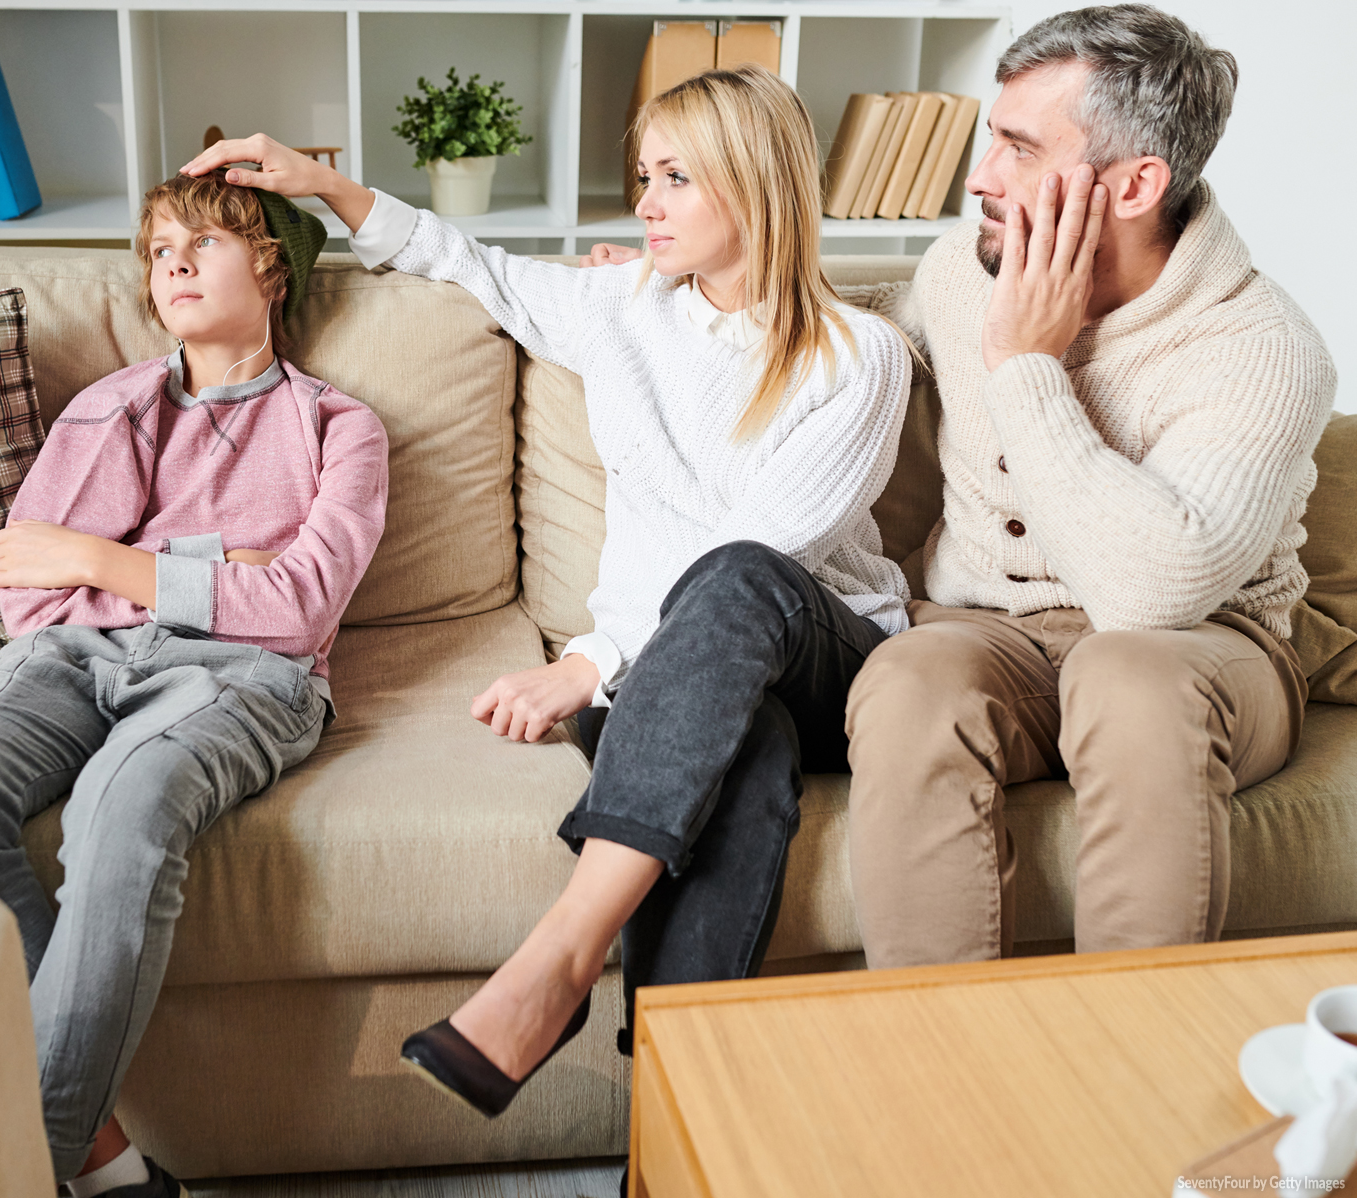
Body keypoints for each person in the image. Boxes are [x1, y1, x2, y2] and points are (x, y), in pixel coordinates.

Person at [184, 63, 911, 1116]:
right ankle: (672, 1135)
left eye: (676, 179)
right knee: (739, 759)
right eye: (643, 174)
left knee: (742, 579)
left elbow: (758, 555)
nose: (644, 204)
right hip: (690, 690)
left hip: (824, 660)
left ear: (753, 186)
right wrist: (326, 188)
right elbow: (468, 262)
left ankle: (556, 958)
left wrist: (591, 660)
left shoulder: (861, 356)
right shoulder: (624, 305)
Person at [0, 172, 389, 1196]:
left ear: (274, 268)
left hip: (247, 676)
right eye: (160, 251)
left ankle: (25, 1166)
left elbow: (295, 609)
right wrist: (219, 568)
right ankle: (103, 1156)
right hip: (72, 658)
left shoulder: (341, 428)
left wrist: (108, 561)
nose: (178, 264)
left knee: (123, 803)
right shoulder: (111, 406)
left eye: (206, 242)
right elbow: (24, 580)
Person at [829, 5, 1335, 965]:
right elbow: (865, 341)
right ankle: (939, 1065)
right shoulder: (965, 268)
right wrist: (694, 285)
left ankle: (1123, 1081)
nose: (978, 178)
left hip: (1204, 645)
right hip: (987, 630)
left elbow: (1153, 594)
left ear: (1136, 183)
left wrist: (1028, 364)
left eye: (1019, 149)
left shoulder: (1264, 347)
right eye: (991, 140)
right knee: (906, 680)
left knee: (1127, 676)